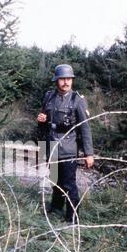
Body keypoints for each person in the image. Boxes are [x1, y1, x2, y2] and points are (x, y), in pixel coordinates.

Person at [37, 64, 94, 222]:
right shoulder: (49, 97)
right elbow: (44, 122)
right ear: (57, 80)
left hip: (68, 147)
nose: (66, 82)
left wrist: (89, 154)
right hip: (51, 145)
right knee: (54, 179)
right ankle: (55, 208)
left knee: (69, 184)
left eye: (68, 79)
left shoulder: (78, 100)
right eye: (62, 79)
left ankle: (72, 216)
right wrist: (42, 120)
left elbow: (85, 128)